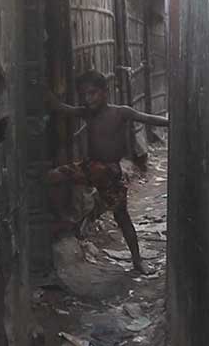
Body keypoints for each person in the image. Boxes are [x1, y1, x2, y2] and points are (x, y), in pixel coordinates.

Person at [44, 69, 169, 274]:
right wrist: (45, 93)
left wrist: (170, 122)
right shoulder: (86, 113)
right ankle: (62, 221)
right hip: (90, 167)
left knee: (122, 216)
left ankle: (137, 261)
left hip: (110, 173)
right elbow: (63, 108)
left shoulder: (120, 113)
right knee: (52, 177)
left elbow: (146, 118)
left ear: (105, 92)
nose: (88, 99)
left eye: (92, 93)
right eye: (84, 95)